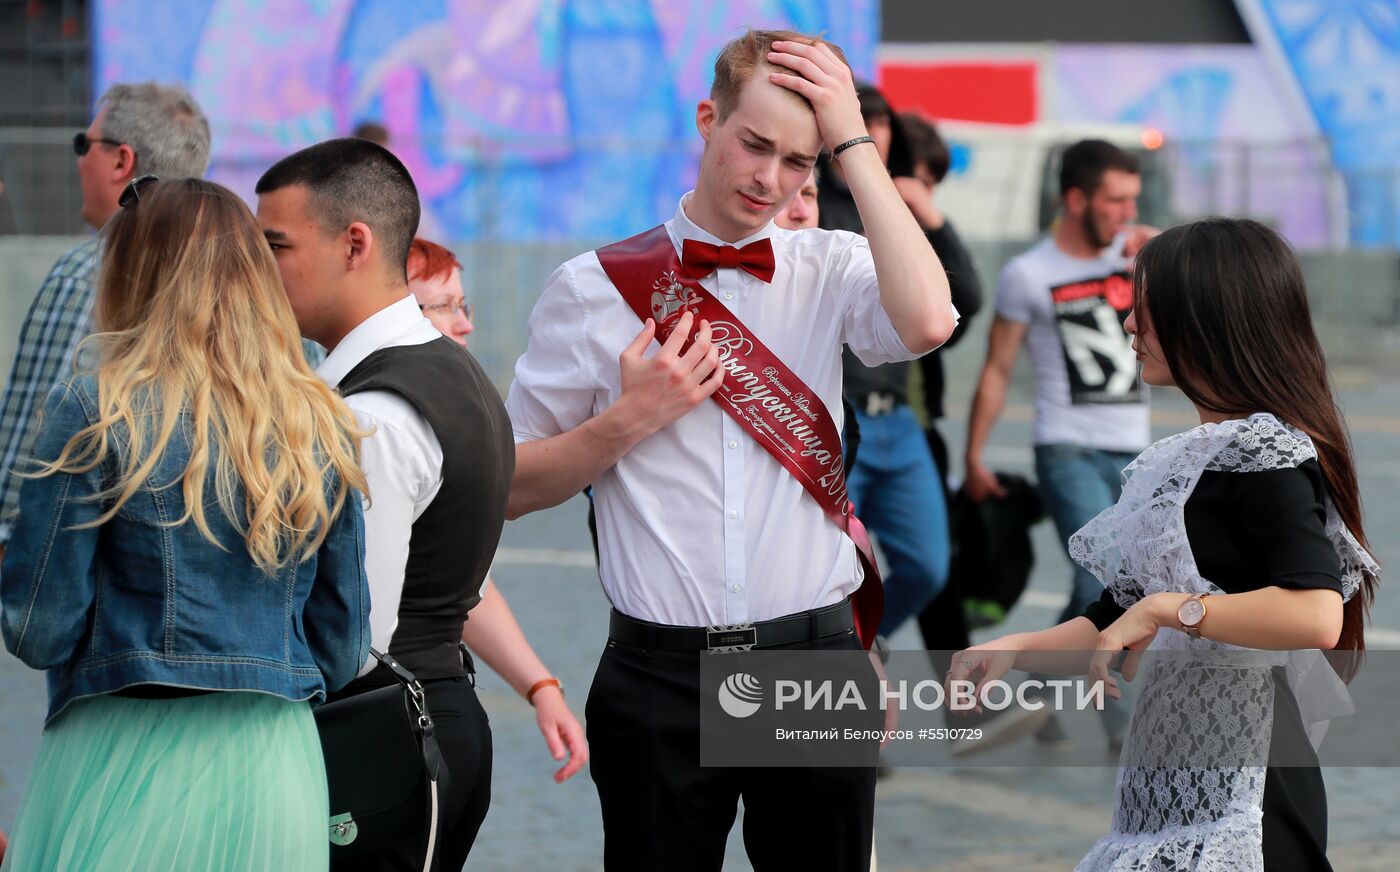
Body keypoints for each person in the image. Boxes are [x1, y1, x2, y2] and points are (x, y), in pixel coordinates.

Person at [506, 29, 957, 872]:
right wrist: (626, 422)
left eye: (799, 162)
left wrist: (854, 141)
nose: (770, 179)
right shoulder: (590, 288)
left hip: (810, 658)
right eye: (754, 145)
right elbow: (506, 489)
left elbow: (930, 321)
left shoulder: (831, 265)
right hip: (658, 670)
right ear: (708, 120)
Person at [950, 217, 1379, 871]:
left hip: (1252, 780)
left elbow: (1315, 612)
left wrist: (1171, 610)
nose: (1129, 327)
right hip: (1169, 777)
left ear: (1206, 322)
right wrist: (1012, 650)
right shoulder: (1176, 463)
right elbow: (1110, 621)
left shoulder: (1265, 452)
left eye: (1145, 312)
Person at [0, 177, 371, 871]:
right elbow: (344, 651)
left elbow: (38, 631)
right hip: (273, 761)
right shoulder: (320, 421)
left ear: (132, 276)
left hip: (122, 746)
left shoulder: (94, 408)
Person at [256, 138, 514, 871]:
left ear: (354, 244)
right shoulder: (442, 369)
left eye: (276, 244)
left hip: (384, 733)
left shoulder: (373, 410)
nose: (260, 269)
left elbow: (355, 638)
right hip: (427, 716)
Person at [962, 139, 1153, 750]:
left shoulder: (1138, 258)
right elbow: (995, 369)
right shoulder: (1029, 273)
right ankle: (1113, 723)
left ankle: (1034, 694)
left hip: (1135, 448)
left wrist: (1163, 252)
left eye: (1133, 201)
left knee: (1122, 578)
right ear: (1075, 199)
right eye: (1115, 200)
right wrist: (973, 454)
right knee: (1105, 574)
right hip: (1066, 445)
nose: (1126, 212)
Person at [0, 83, 211, 565]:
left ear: (121, 161)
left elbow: (34, 438)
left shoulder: (92, 270)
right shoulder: (233, 274)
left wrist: (9, 538)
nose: (78, 161)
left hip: (85, 573)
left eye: (84, 144)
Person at [408, 235, 588, 782]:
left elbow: (463, 581)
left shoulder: (442, 415)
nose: (465, 324)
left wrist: (541, 687)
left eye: (465, 306)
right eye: (445, 306)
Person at [818, 89, 983, 640]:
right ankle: (840, 659)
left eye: (879, 122)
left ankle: (862, 643)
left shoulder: (893, 205)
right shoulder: (810, 201)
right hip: (835, 419)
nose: (871, 133)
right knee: (825, 575)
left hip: (900, 422)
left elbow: (965, 303)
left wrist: (929, 216)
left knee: (930, 567)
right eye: (858, 122)